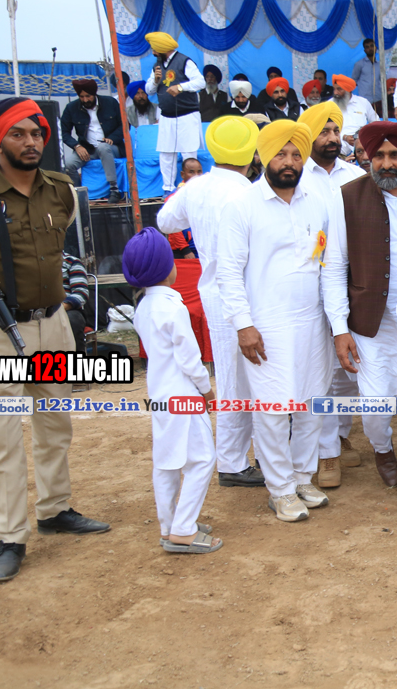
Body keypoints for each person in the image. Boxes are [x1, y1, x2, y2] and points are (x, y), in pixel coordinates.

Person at [0, 98, 110, 582]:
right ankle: (11, 536)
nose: (31, 142)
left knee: (55, 423)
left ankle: (54, 509)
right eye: (17, 134)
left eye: (37, 133)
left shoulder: (61, 189)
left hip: (53, 324)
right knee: (2, 439)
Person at [323, 122, 397, 510]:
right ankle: (381, 449)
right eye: (378, 155)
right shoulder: (347, 197)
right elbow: (334, 266)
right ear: (367, 156)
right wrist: (340, 329)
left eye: (394, 155)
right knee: (376, 405)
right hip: (371, 323)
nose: (386, 163)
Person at [216, 120, 334, 522]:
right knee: (272, 409)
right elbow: (228, 272)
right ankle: (280, 489)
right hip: (265, 326)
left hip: (312, 322)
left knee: (311, 404)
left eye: (296, 154)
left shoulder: (315, 202)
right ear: (263, 156)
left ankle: (301, 477)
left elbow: (326, 262)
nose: (289, 162)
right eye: (281, 154)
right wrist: (243, 325)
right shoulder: (242, 205)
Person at [157, 115, 266, 490]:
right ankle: (236, 462)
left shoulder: (196, 187)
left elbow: (165, 222)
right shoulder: (250, 192)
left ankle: (246, 457)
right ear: (251, 153)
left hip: (215, 294)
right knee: (249, 378)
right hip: (247, 295)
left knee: (234, 376)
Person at [123, 228, 222, 554]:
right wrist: (207, 391)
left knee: (166, 462)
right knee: (202, 459)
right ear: (168, 269)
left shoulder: (143, 308)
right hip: (184, 396)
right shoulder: (173, 308)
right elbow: (190, 359)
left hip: (160, 395)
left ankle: (170, 525)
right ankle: (182, 530)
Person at [297, 102, 366, 486]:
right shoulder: (296, 178)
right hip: (308, 286)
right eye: (324, 131)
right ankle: (325, 455)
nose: (332, 138)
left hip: (350, 285)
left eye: (336, 131)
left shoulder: (356, 175)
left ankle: (339, 436)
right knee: (319, 372)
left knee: (348, 372)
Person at [143, 32, 205, 195]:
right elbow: (148, 90)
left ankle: (192, 188)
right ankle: (168, 189)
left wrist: (181, 87)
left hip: (187, 115)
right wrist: (156, 81)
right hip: (166, 116)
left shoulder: (185, 61)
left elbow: (200, 82)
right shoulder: (157, 66)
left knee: (188, 152)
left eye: (154, 49)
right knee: (166, 153)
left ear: (162, 48)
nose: (153, 52)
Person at [60, 78, 124, 202]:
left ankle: (114, 189)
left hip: (111, 148)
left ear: (94, 94)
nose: (85, 100)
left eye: (88, 96)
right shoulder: (71, 108)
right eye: (81, 97)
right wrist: (76, 146)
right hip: (88, 149)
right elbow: (63, 132)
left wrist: (112, 138)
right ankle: (78, 194)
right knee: (68, 165)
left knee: (103, 147)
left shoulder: (110, 103)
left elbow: (125, 125)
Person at [331, 75, 378, 156]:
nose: (335, 92)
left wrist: (363, 136)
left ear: (348, 90)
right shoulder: (329, 105)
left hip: (363, 148)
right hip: (338, 150)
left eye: (339, 89)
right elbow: (325, 130)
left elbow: (376, 124)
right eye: (334, 89)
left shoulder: (363, 102)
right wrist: (344, 137)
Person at [61, 253, 89, 353]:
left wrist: (61, 308)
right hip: (36, 309)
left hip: (67, 308)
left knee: (72, 319)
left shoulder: (71, 262)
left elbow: (81, 293)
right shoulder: (27, 263)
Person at [351, 38, 384, 113]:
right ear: (365, 50)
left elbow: (382, 81)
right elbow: (354, 81)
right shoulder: (359, 64)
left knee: (379, 118)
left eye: (372, 46)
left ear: (376, 48)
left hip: (379, 99)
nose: (370, 48)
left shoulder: (380, 65)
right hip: (365, 99)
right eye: (367, 47)